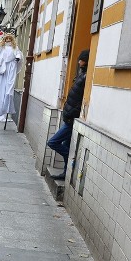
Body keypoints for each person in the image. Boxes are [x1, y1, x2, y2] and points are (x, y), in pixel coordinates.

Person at [47, 49, 88, 180]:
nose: (79, 61)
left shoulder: (86, 76)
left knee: (53, 142)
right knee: (65, 145)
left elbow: (81, 99)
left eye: (81, 59)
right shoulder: (81, 74)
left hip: (72, 119)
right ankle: (66, 172)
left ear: (85, 60)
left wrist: (71, 113)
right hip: (69, 117)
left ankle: (71, 160)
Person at [0, 33, 23, 122]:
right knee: (0, 88)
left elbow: (18, 53)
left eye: (9, 38)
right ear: (4, 39)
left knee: (9, 89)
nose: (8, 40)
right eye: (6, 38)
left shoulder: (15, 47)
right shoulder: (1, 47)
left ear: (12, 40)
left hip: (11, 67)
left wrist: (17, 58)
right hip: (3, 68)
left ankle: (6, 110)